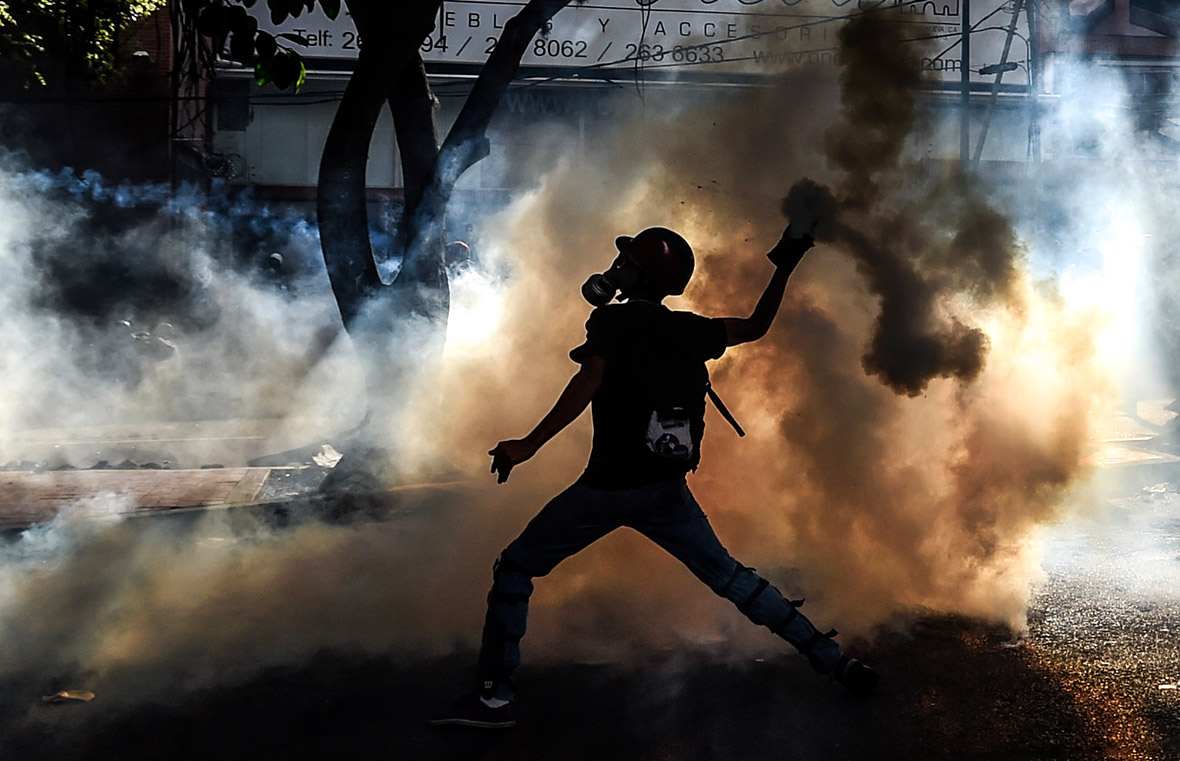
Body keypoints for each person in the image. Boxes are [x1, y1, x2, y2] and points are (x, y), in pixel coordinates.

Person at [431, 225, 876, 729]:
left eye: (627, 263)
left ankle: (493, 698)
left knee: (515, 568)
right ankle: (834, 661)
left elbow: (588, 380)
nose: (617, 269)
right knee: (733, 579)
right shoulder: (689, 330)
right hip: (665, 492)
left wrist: (528, 445)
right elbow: (755, 326)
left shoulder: (610, 321)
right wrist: (784, 267)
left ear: (640, 274)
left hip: (607, 489)